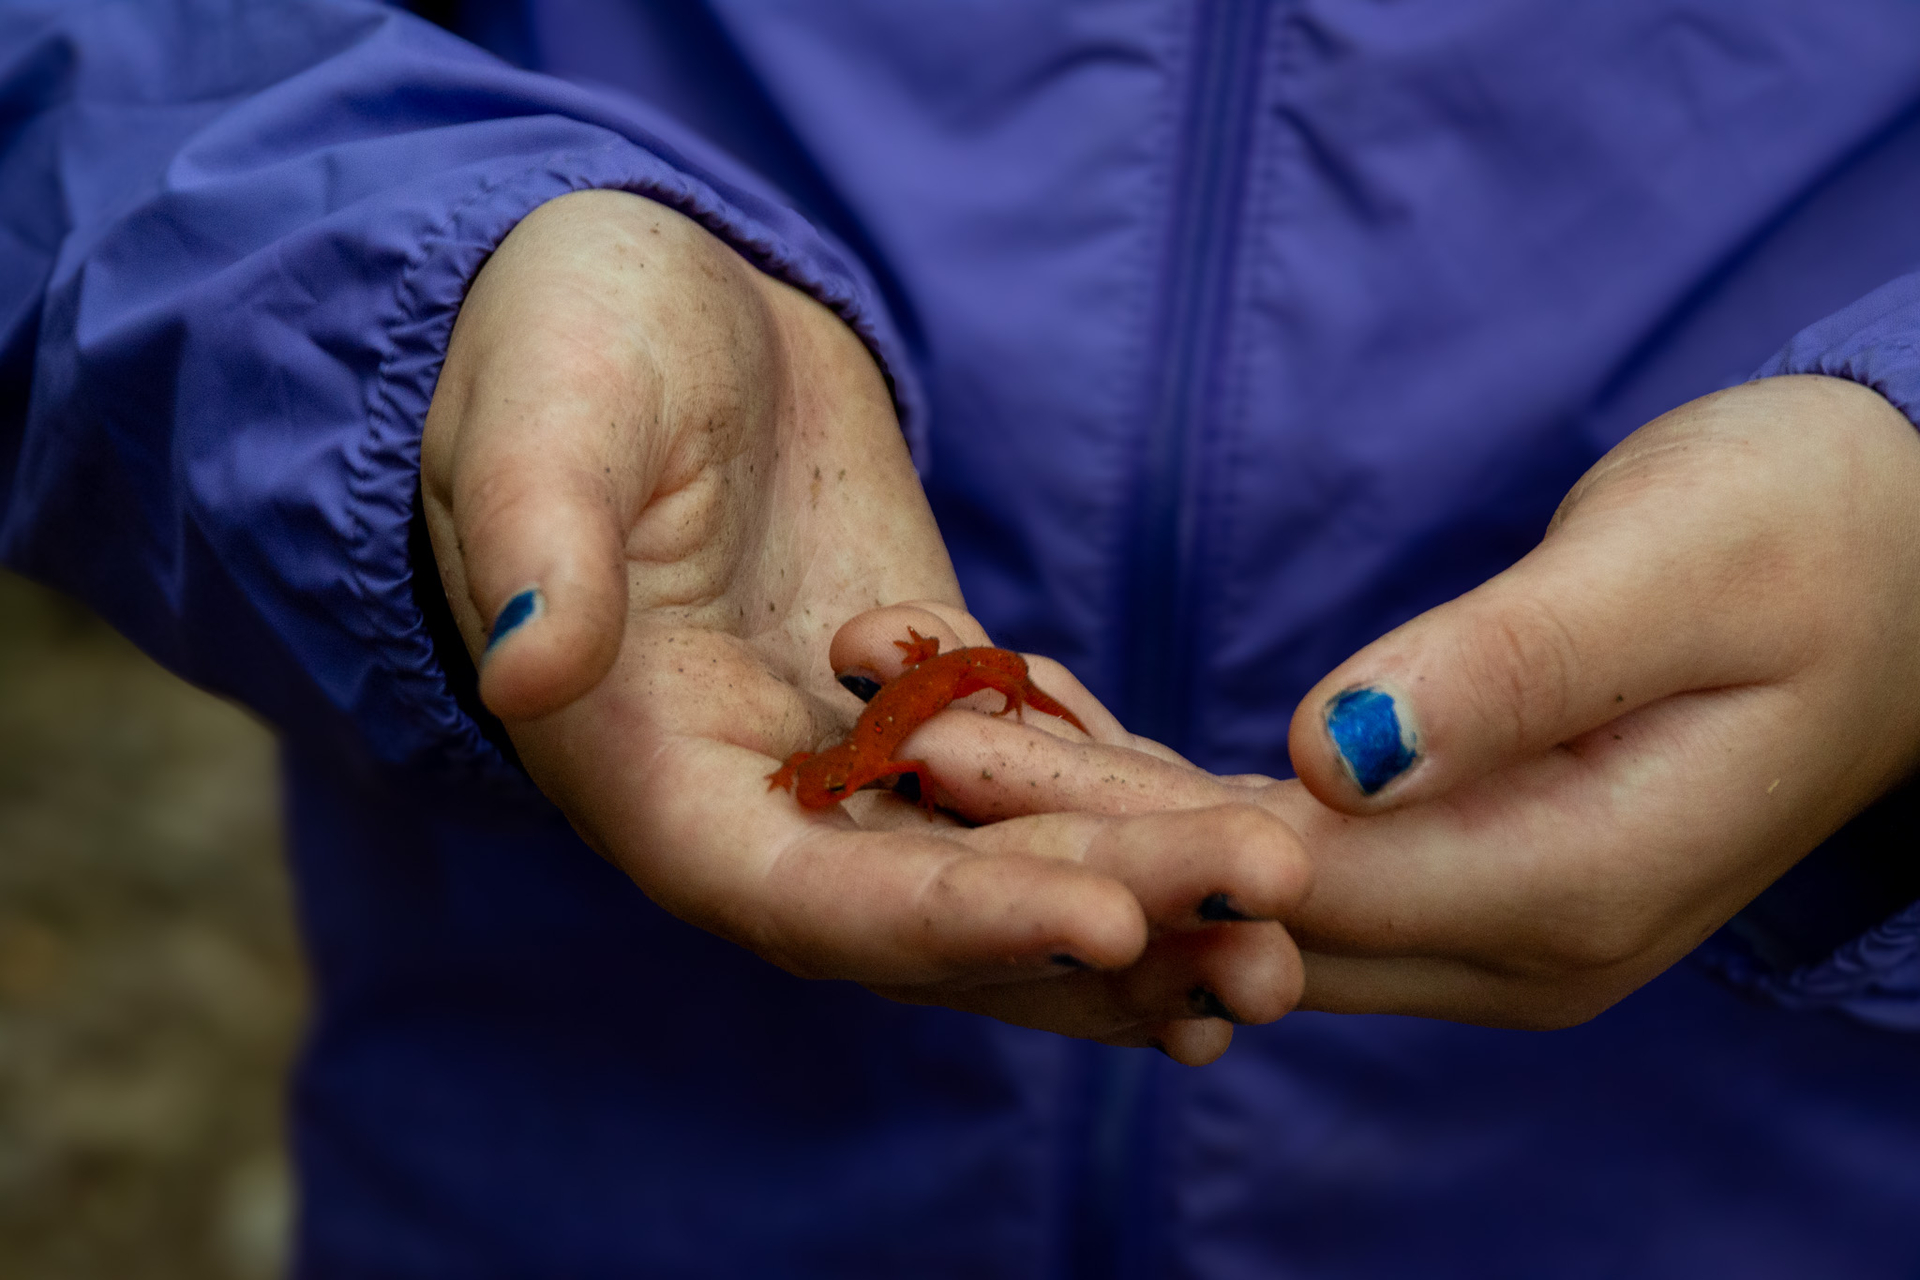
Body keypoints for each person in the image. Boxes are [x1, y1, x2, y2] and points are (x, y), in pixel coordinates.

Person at [5, 0, 1920, 1273]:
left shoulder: (934, 698)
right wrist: (402, 313)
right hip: (586, 1166)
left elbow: (938, 703)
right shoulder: (871, 731)